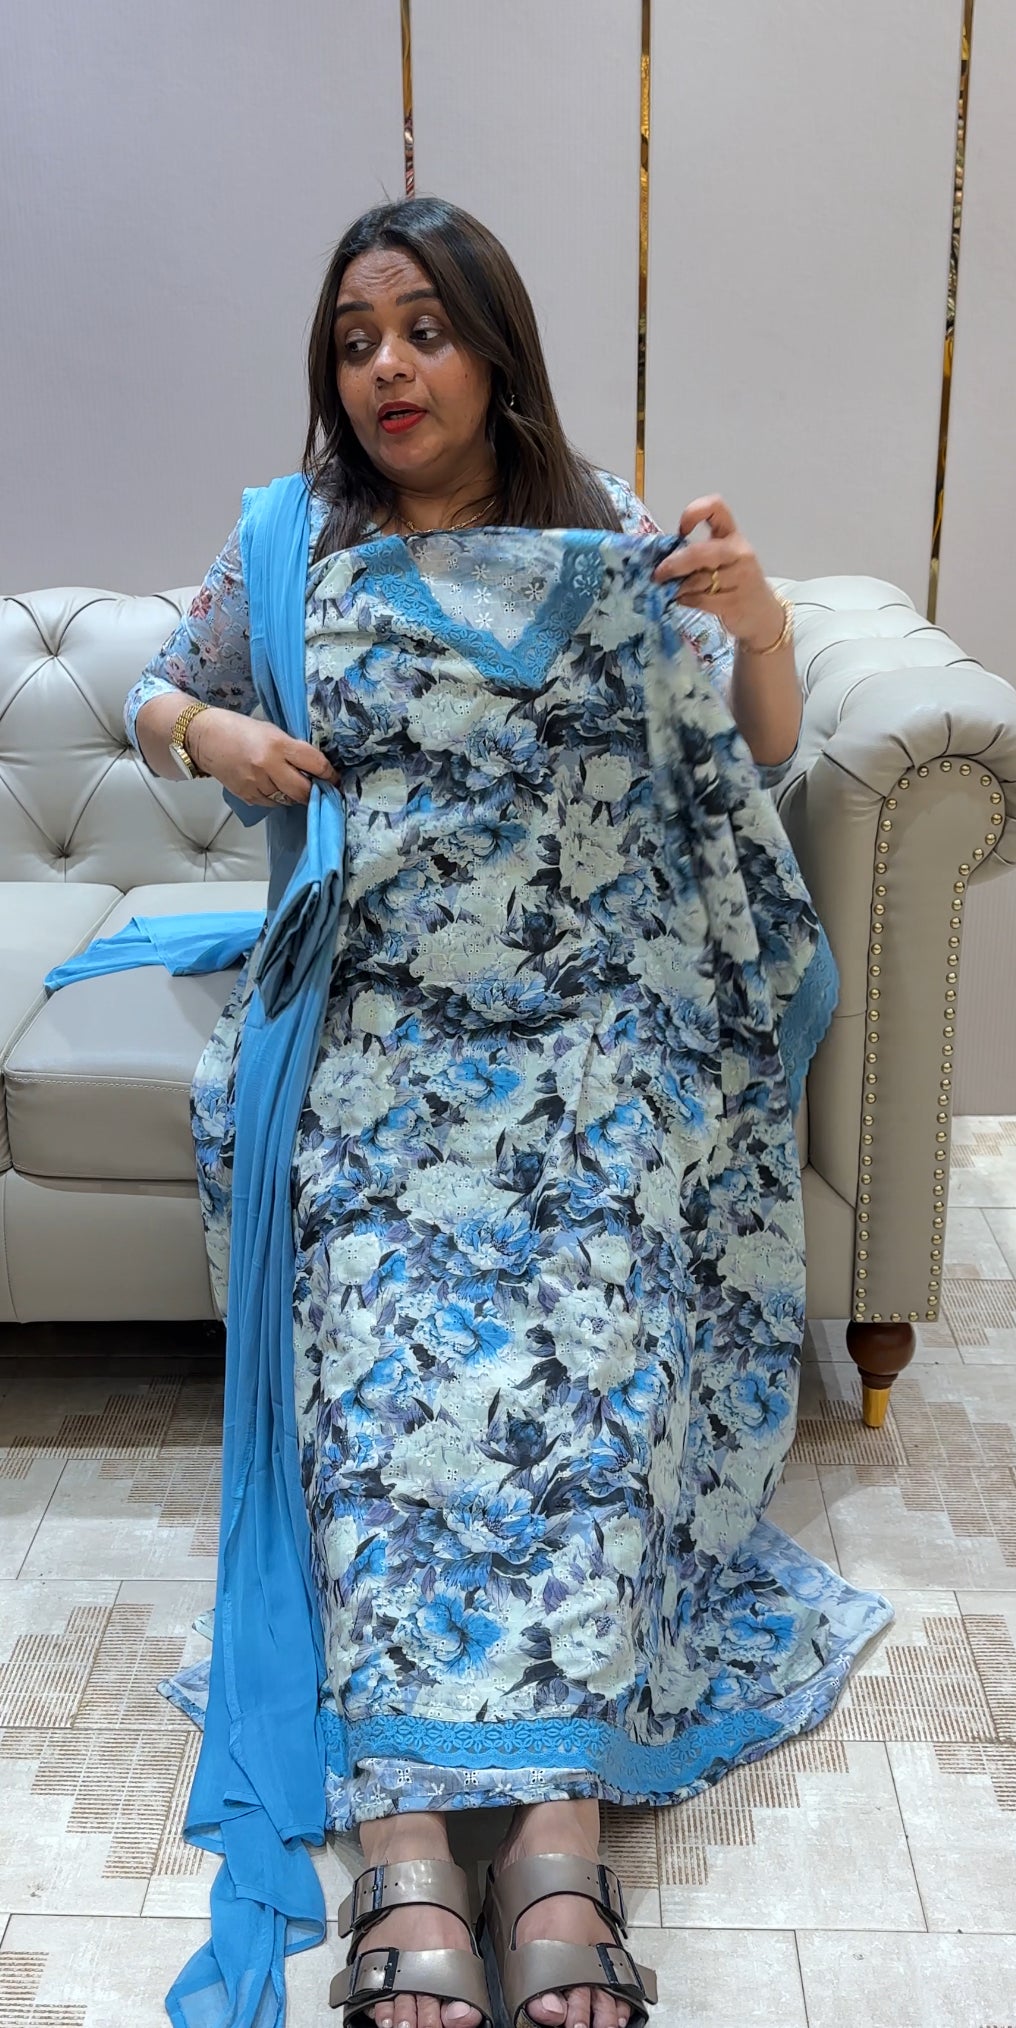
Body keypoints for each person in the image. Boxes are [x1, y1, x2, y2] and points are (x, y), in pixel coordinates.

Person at [125, 198, 889, 2028]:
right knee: (373, 1344)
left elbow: (746, 755)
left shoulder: (600, 533)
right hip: (374, 1032)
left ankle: (556, 1837)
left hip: (589, 1041)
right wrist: (212, 737)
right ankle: (405, 1846)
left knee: (599, 1328)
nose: (388, 368)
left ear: (495, 349)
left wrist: (760, 624)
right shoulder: (288, 541)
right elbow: (155, 691)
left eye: (425, 329)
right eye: (355, 340)